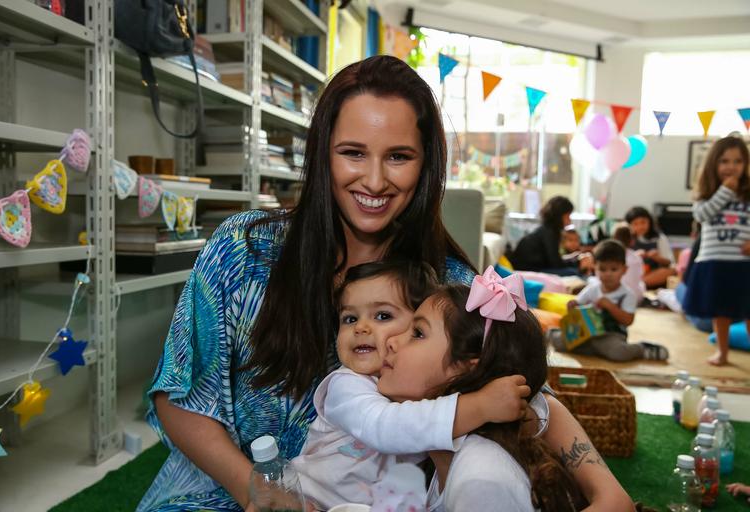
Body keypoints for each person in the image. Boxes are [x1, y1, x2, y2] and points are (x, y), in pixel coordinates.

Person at [138, 55, 632, 511]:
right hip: (221, 489)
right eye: (353, 152)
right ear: (322, 155)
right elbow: (181, 394)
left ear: (427, 164)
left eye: (398, 156)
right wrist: (257, 489)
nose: (374, 181)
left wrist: (606, 490)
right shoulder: (243, 252)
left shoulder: (444, 285)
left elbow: (524, 390)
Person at [378, 268, 634, 511]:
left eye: (418, 333)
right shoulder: (449, 454)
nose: (391, 341)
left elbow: (616, 502)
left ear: (467, 367)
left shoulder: (480, 480)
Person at [292, 261, 535, 510]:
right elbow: (384, 425)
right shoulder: (346, 384)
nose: (361, 328)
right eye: (349, 318)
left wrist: (522, 406)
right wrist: (480, 405)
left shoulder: (479, 472)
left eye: (383, 316)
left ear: (465, 366)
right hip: (306, 500)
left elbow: (533, 405)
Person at [682, 136, 750, 366]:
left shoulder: (748, 195)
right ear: (714, 164)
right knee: (720, 311)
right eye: (724, 161)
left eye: (738, 161)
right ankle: (722, 352)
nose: (731, 167)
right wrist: (724, 191)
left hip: (744, 262)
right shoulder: (706, 194)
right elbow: (702, 215)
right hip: (714, 261)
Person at [548, 240, 669, 362]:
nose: (608, 274)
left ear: (624, 270)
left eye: (613, 269)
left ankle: (641, 348)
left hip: (611, 336)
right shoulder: (593, 288)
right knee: (560, 344)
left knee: (618, 353)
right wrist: (573, 305)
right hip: (586, 334)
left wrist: (611, 306)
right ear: (595, 268)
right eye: (602, 269)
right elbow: (578, 306)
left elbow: (628, 320)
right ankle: (555, 334)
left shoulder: (627, 294)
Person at [510, 196, 593, 276]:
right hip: (529, 270)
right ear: (560, 216)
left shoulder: (548, 229)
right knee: (574, 272)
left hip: (534, 267)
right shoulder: (550, 232)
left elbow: (555, 260)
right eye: (568, 216)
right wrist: (577, 262)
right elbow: (556, 264)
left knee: (573, 270)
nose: (569, 220)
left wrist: (574, 259)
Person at [624, 206, 677, 289]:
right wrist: (635, 256)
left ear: (649, 222)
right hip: (632, 273)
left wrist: (657, 257)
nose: (640, 226)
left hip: (651, 275)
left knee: (671, 271)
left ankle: (640, 284)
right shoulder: (626, 239)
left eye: (643, 222)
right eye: (635, 224)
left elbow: (670, 263)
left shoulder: (659, 238)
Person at [612, 225, 646, 304]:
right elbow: (641, 276)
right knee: (642, 284)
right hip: (635, 297)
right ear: (632, 241)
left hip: (613, 296)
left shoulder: (609, 256)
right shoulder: (636, 258)